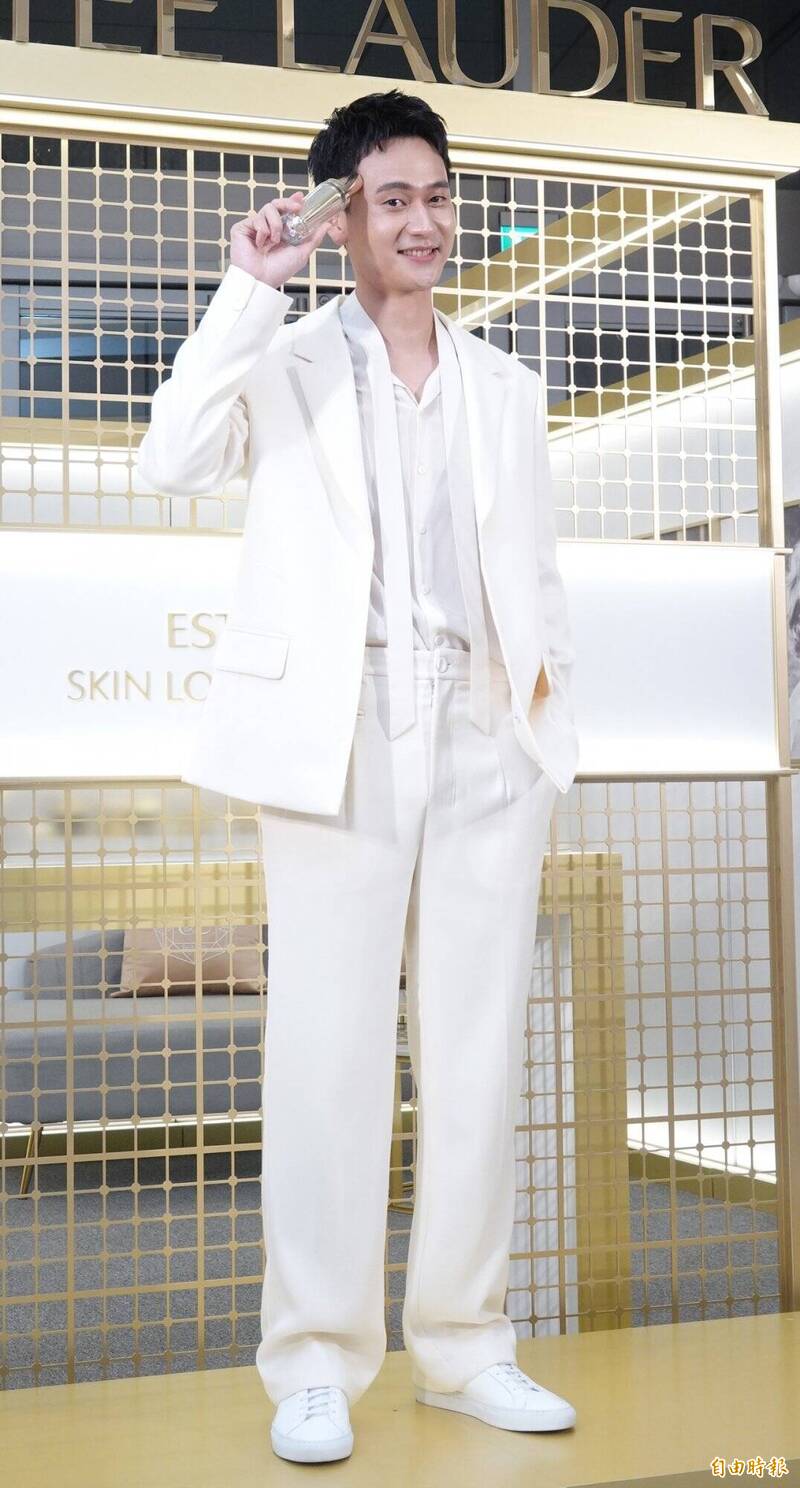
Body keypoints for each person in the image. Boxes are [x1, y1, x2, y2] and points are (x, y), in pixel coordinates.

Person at [137, 87, 580, 1466]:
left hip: (482, 732)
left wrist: (539, 720)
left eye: (438, 196)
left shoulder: (505, 385)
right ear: (341, 219)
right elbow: (169, 459)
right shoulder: (282, 358)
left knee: (477, 1050)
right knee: (325, 1053)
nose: (425, 221)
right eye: (394, 200)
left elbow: (531, 575)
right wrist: (246, 289)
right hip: (336, 732)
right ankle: (317, 1360)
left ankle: (467, 1345)